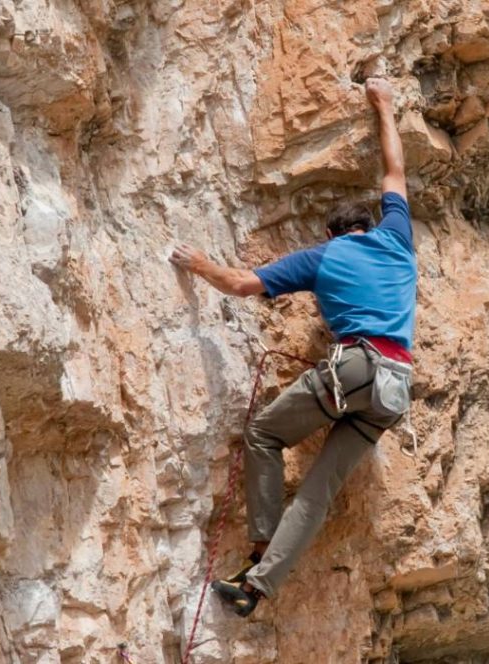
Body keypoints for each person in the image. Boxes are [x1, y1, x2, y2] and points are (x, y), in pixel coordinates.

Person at [169, 78, 416, 617]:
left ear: (333, 233)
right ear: (369, 225)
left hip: (355, 368)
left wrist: (198, 263)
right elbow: (394, 171)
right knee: (318, 492)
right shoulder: (397, 237)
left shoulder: (323, 258)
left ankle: (260, 547)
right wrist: (384, 104)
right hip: (396, 390)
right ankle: (256, 587)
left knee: (264, 433)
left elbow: (239, 284)